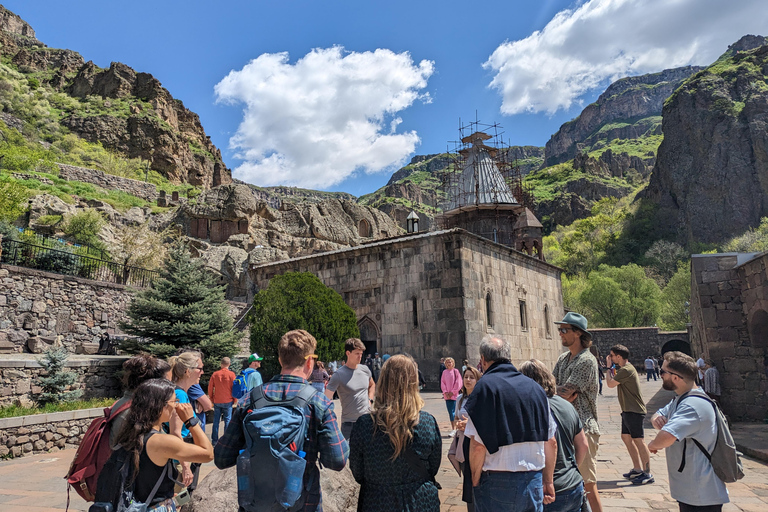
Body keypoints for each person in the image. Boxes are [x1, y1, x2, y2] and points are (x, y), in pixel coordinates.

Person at [215, 329, 348, 511]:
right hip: (303, 504)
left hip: (257, 504)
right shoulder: (318, 402)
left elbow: (222, 458)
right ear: (310, 361)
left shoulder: (250, 399)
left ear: (280, 360)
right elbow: (337, 460)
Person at [465, 335, 557, 512]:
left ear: (483, 360)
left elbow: (478, 446)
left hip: (497, 483)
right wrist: (548, 481)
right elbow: (551, 441)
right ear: (509, 357)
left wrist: (475, 481)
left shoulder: (485, 388)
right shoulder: (535, 388)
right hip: (533, 481)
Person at [95, 378, 213, 509]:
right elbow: (208, 454)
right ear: (160, 406)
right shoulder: (161, 442)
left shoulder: (131, 432)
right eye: (175, 401)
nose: (176, 406)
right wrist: (190, 420)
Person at [349, 355, 441, 512]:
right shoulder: (427, 422)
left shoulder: (364, 425)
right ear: (413, 383)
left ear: (382, 382)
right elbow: (433, 466)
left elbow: (358, 471)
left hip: (377, 501)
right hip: (420, 501)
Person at [648, 351, 730, 512]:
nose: (661, 375)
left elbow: (667, 436)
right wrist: (655, 419)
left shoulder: (692, 405)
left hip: (701, 492)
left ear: (676, 378)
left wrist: (653, 444)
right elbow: (659, 414)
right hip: (691, 489)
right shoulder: (681, 398)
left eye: (662, 372)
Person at [520, 359, 588, 512]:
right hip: (573, 485)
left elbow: (550, 443)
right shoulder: (567, 405)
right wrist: (571, 470)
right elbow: (583, 445)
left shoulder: (534, 408)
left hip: (549, 491)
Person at [552, 312, 603, 512]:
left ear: (579, 333)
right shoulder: (564, 358)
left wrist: (561, 392)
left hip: (584, 426)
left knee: (588, 483)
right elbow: (553, 388)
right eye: (559, 330)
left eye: (564, 330)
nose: (560, 334)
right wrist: (561, 392)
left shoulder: (587, 360)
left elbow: (564, 392)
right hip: (565, 427)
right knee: (574, 483)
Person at [604, 344, 654, 485]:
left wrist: (608, 367)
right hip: (628, 410)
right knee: (626, 437)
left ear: (619, 356)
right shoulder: (623, 369)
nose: (610, 357)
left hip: (634, 410)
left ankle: (648, 472)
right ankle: (637, 469)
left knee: (639, 440)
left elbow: (610, 384)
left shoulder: (626, 369)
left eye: (612, 355)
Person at [109, 354, 171, 450]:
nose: (171, 387)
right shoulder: (133, 413)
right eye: (167, 382)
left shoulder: (137, 407)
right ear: (153, 385)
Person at [168, 351, 206, 490]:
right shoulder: (180, 395)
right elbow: (176, 433)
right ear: (187, 371)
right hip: (177, 460)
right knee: (177, 502)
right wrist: (185, 467)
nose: (202, 372)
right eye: (200, 368)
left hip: (176, 457)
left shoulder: (177, 392)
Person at [325, 338, 375, 439]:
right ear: (348, 353)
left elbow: (372, 385)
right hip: (349, 424)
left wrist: (370, 399)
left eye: (361, 353)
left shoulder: (365, 370)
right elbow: (326, 399)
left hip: (367, 421)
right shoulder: (338, 375)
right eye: (357, 353)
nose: (360, 356)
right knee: (348, 454)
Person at [452, 366, 481, 512]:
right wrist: (459, 424)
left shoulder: (481, 398)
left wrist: (468, 425)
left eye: (471, 377)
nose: (468, 380)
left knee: (477, 481)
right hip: (463, 444)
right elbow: (457, 417)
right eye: (466, 377)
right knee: (468, 482)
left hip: (477, 444)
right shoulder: (459, 399)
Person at [207, 356, 237, 445]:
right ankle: (226, 441)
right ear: (229, 364)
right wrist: (235, 399)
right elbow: (234, 388)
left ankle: (214, 441)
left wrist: (211, 398)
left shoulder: (215, 374)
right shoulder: (232, 374)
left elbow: (210, 387)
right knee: (227, 420)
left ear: (221, 364)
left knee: (216, 421)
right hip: (228, 400)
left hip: (217, 400)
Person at [440, 357, 463, 436]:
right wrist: (445, 392)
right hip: (447, 396)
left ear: (453, 363)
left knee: (455, 412)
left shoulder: (455, 371)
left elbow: (458, 382)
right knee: (450, 412)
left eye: (450, 362)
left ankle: (456, 428)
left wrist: (452, 392)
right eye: (447, 362)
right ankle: (453, 428)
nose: (449, 363)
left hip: (454, 395)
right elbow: (442, 382)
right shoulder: (444, 372)